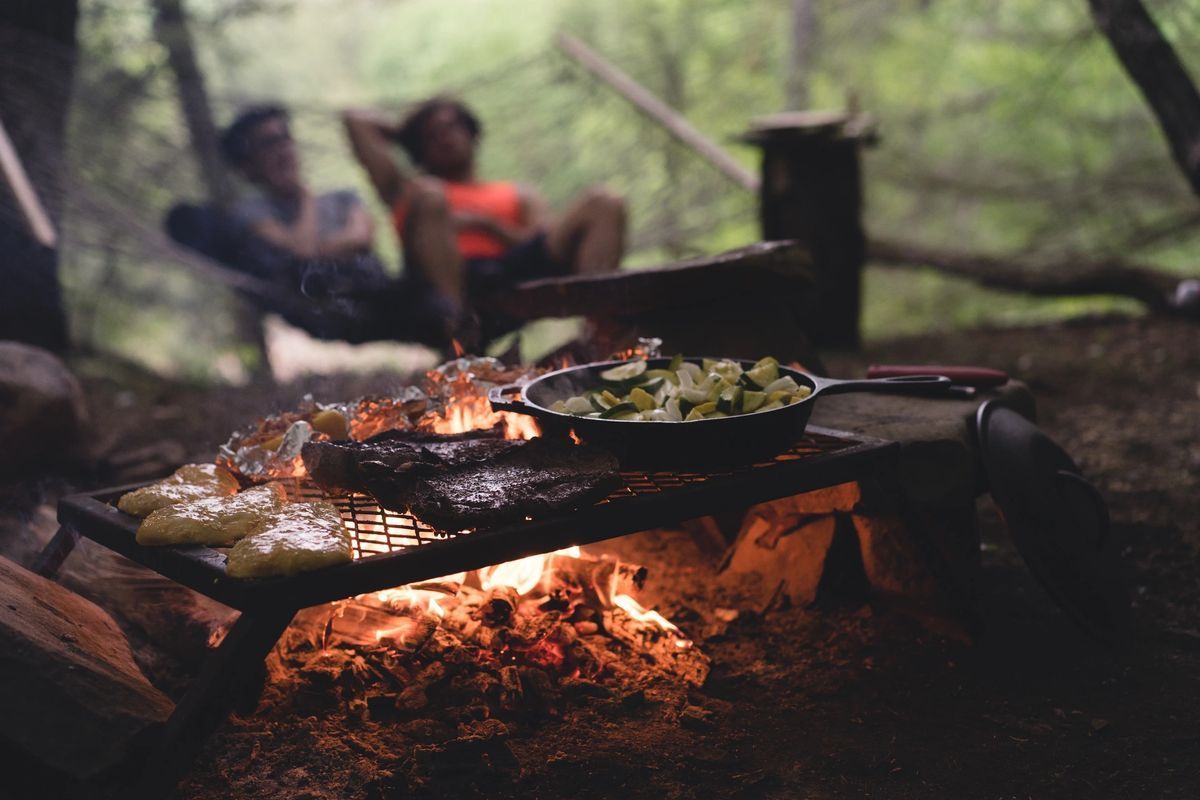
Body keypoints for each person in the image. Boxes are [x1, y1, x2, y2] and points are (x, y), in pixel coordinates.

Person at [342, 97, 626, 317]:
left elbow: (544, 241)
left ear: (472, 133)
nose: (444, 136)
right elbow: (354, 120)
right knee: (432, 196)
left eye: (452, 126)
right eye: (432, 134)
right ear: (419, 148)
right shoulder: (408, 191)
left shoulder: (517, 193)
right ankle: (456, 330)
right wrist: (407, 133)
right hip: (448, 282)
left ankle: (600, 325)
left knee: (604, 202)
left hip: (515, 267)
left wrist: (485, 225)